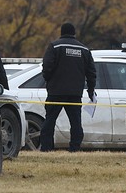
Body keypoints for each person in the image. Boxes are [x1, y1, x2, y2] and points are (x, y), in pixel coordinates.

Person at [41, 22, 96, 152]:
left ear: (61, 32)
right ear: (74, 33)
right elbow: (92, 73)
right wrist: (91, 90)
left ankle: (46, 148)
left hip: (56, 92)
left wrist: (49, 81)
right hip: (75, 93)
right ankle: (75, 148)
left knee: (49, 122)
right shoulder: (84, 49)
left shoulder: (54, 46)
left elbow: (47, 67)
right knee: (76, 123)